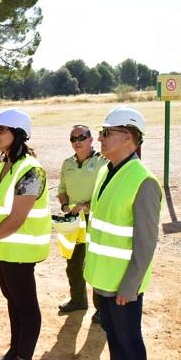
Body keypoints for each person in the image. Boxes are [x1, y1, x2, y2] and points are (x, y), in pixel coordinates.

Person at [86, 106, 162, 360]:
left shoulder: (143, 181)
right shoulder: (106, 170)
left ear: (128, 137)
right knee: (113, 334)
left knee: (129, 337)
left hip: (124, 283)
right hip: (103, 277)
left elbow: (146, 242)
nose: (100, 138)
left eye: (107, 133)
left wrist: (130, 286)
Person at [0, 108, 51, 360]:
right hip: (2, 249)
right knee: (13, 302)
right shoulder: (4, 166)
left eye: (0, 130)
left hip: (20, 251)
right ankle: (15, 350)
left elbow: (18, 217)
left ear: (17, 135)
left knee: (26, 305)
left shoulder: (31, 170)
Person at [57, 125, 108, 324]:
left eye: (81, 137)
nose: (77, 141)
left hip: (93, 219)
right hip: (73, 220)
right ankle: (78, 300)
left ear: (91, 139)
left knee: (95, 263)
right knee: (73, 263)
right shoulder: (67, 164)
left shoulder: (103, 162)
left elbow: (105, 191)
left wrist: (87, 206)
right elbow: (61, 189)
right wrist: (64, 205)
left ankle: (101, 309)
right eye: (73, 138)